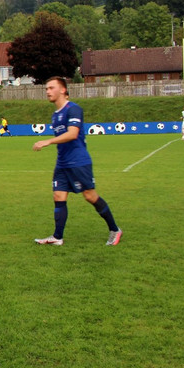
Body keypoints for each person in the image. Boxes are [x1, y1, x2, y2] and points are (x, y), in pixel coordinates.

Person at [32, 76, 121, 247]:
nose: (48, 91)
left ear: (63, 90)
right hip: (63, 163)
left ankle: (115, 229)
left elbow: (73, 134)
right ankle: (57, 237)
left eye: (51, 88)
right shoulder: (55, 115)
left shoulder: (73, 109)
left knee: (90, 196)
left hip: (78, 162)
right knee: (58, 195)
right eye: (46, 89)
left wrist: (48, 141)